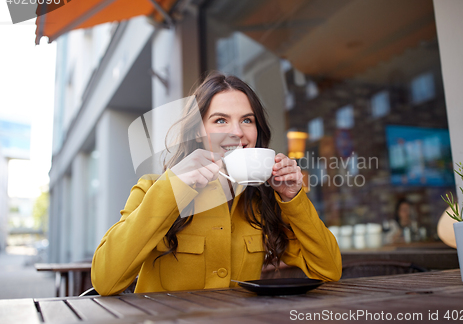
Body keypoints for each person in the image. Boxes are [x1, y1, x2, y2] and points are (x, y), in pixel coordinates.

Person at [91, 72, 341, 295]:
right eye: (220, 120)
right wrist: (174, 187)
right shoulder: (152, 188)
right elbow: (105, 281)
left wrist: (292, 198)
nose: (237, 132)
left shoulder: (265, 202)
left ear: (257, 131)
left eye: (247, 120)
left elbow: (329, 271)